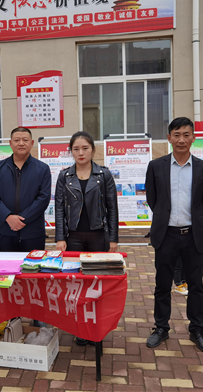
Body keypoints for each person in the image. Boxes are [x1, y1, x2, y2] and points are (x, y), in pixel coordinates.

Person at [144, 117, 203, 353]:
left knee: (196, 285)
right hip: (166, 235)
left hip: (193, 234)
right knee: (162, 284)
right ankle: (161, 327)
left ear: (193, 138)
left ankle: (197, 329)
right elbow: (153, 200)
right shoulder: (156, 166)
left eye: (186, 135)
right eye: (177, 135)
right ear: (169, 138)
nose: (181, 139)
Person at [54, 131, 119, 346]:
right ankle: (80, 328)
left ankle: (97, 327)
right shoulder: (65, 176)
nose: (81, 152)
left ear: (93, 150)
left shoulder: (104, 175)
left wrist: (113, 239)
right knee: (76, 284)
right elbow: (59, 209)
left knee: (96, 282)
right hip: (73, 238)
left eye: (85, 148)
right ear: (71, 151)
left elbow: (112, 208)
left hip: (98, 236)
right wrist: (60, 237)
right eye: (76, 149)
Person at [0, 127, 51, 252]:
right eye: (16, 140)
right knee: (8, 264)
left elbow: (43, 198)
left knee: (33, 264)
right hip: (7, 230)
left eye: (25, 140)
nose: (21, 143)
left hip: (33, 232)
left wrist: (21, 219)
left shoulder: (42, 169)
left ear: (32, 143)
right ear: (10, 143)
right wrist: (8, 217)